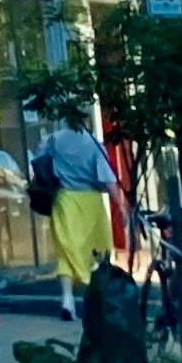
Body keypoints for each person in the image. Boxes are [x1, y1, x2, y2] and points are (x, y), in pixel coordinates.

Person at [32, 112, 118, 319]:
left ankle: (67, 300)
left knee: (65, 252)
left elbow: (38, 159)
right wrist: (121, 208)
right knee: (97, 251)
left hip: (64, 200)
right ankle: (96, 299)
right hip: (91, 202)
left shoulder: (53, 140)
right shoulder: (93, 144)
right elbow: (108, 180)